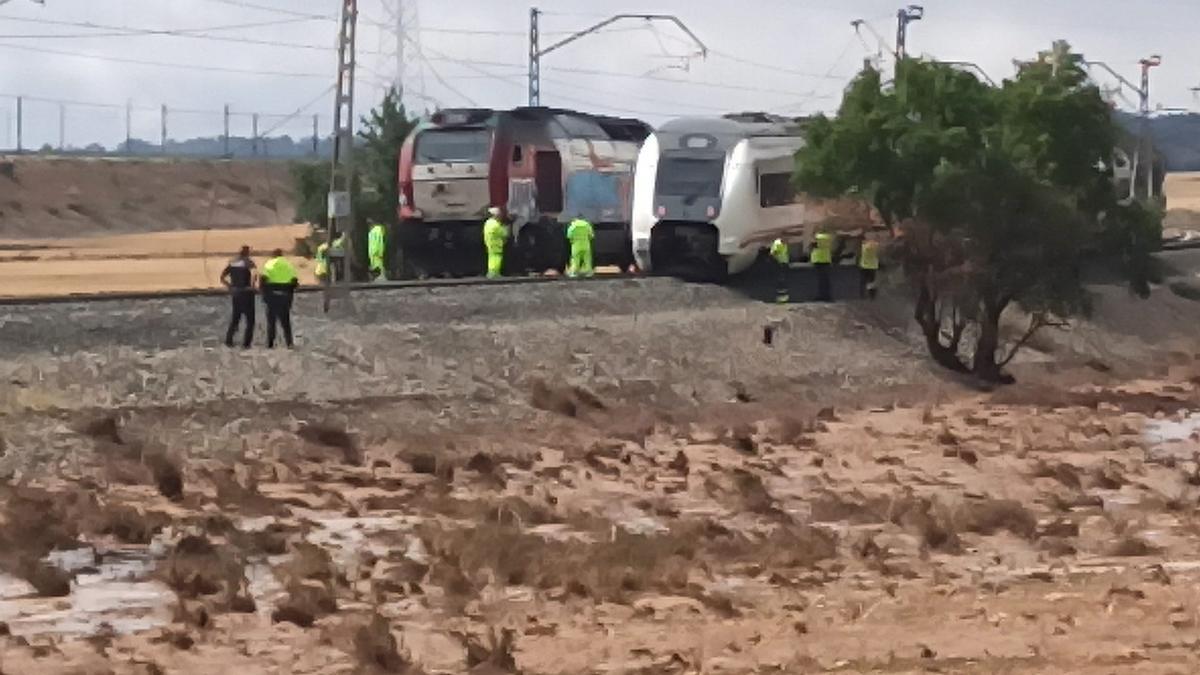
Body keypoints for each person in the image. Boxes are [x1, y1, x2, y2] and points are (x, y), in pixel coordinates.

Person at [260, 248, 299, 349]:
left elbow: (263, 280)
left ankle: (270, 343)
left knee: (271, 321)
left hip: (272, 296)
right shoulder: (289, 265)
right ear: (282, 255)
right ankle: (289, 343)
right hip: (285, 296)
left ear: (273, 255)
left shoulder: (269, 264)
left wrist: (264, 295)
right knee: (285, 321)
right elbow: (295, 282)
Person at [220, 245, 257, 348]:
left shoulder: (232, 262)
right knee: (250, 320)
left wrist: (230, 287)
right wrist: (253, 286)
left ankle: (229, 341)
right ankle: (246, 344)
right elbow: (254, 275)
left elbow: (222, 277)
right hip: (247, 293)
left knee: (235, 318)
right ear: (247, 253)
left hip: (236, 293)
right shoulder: (249, 262)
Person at [482, 207, 508, 279]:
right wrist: (506, 228)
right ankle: (495, 273)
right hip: (496, 244)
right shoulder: (495, 224)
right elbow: (503, 233)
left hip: (489, 242)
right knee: (496, 258)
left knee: (491, 258)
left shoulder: (488, 222)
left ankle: (490, 273)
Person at [810, 228, 834, 302]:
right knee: (825, 280)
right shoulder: (829, 237)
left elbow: (812, 245)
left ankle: (821, 296)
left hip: (819, 260)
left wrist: (813, 234)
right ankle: (827, 296)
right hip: (826, 260)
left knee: (821, 280)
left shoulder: (818, 237)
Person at [858, 234, 881, 299]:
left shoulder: (864, 245)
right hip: (873, 266)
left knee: (863, 281)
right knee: (871, 281)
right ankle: (872, 295)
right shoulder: (875, 245)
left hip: (864, 265)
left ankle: (862, 294)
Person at [769, 237, 790, 303]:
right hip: (779, 263)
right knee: (780, 279)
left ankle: (783, 295)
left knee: (783, 279)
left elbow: (784, 253)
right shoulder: (777, 243)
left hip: (784, 262)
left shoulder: (785, 244)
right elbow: (773, 253)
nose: (787, 241)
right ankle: (779, 296)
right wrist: (776, 260)